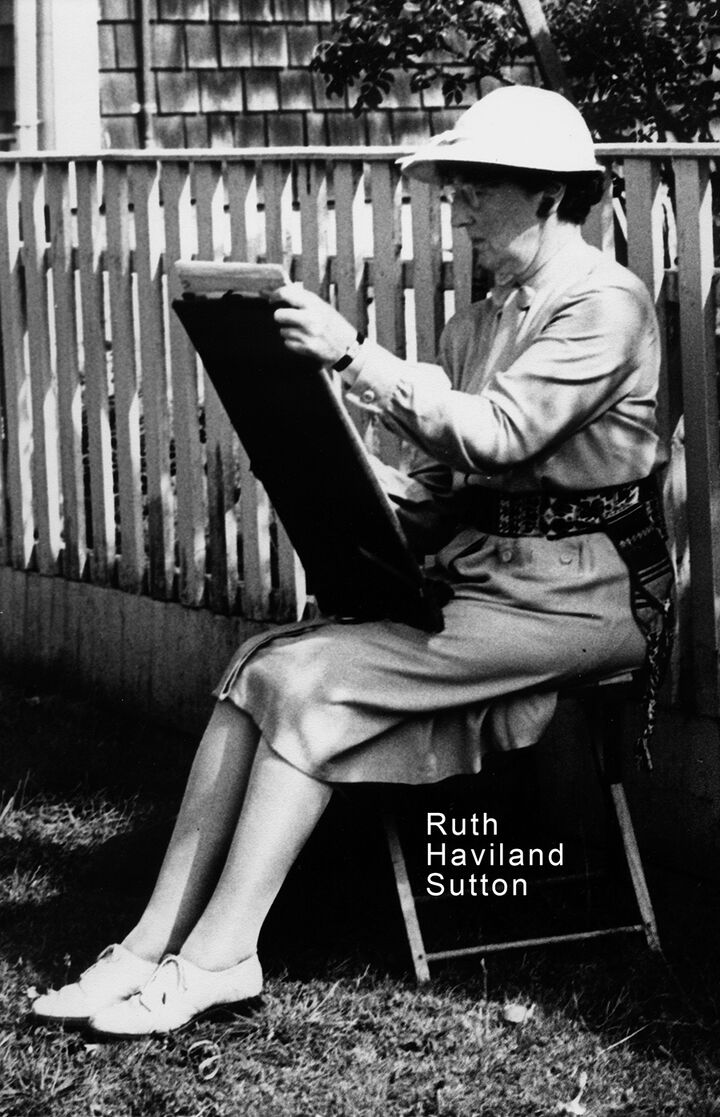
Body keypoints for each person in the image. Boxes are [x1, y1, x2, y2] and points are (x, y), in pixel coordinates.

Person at [30, 86, 673, 1037]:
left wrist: (355, 355)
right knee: (263, 666)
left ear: (547, 194)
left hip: (583, 598)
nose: (458, 206)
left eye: (478, 186)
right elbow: (445, 490)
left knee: (310, 678)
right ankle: (147, 946)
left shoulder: (605, 304)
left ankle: (220, 956)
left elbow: (500, 434)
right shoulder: (480, 322)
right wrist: (333, 464)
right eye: (456, 185)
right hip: (494, 583)